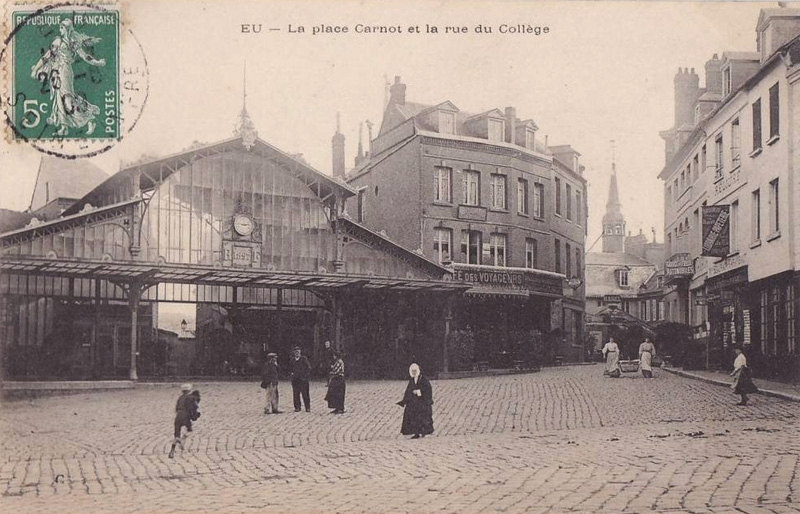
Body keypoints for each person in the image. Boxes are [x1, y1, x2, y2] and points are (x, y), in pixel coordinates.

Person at [30, 19, 106, 136]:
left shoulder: (71, 42)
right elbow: (47, 57)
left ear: (67, 29)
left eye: (62, 27)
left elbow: (85, 56)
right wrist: (36, 69)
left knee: (67, 99)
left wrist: (97, 63)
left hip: (64, 71)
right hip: (57, 72)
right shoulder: (58, 41)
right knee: (59, 98)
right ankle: (64, 127)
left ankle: (89, 119)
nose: (60, 30)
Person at [397, 363, 434, 439]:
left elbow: (428, 390)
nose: (413, 373)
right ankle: (416, 432)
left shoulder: (424, 379)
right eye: (412, 371)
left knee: (423, 416)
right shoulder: (412, 380)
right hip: (414, 402)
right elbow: (408, 391)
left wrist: (419, 392)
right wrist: (404, 401)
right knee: (412, 415)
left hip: (423, 401)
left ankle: (425, 432)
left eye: (415, 371)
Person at [169, 383, 200, 459]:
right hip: (185, 416)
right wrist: (194, 416)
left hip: (178, 416)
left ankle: (172, 450)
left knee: (176, 435)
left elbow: (176, 408)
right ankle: (182, 440)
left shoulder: (180, 398)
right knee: (189, 430)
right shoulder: (191, 398)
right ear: (189, 390)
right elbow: (193, 407)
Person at [290, 346, 312, 412]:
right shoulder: (292, 360)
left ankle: (307, 407)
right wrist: (292, 374)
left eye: (298, 352)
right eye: (295, 352)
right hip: (295, 380)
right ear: (294, 353)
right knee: (296, 394)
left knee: (305, 394)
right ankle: (297, 407)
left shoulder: (303, 359)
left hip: (303, 379)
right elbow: (290, 368)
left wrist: (305, 377)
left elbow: (308, 368)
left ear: (300, 352)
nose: (297, 353)